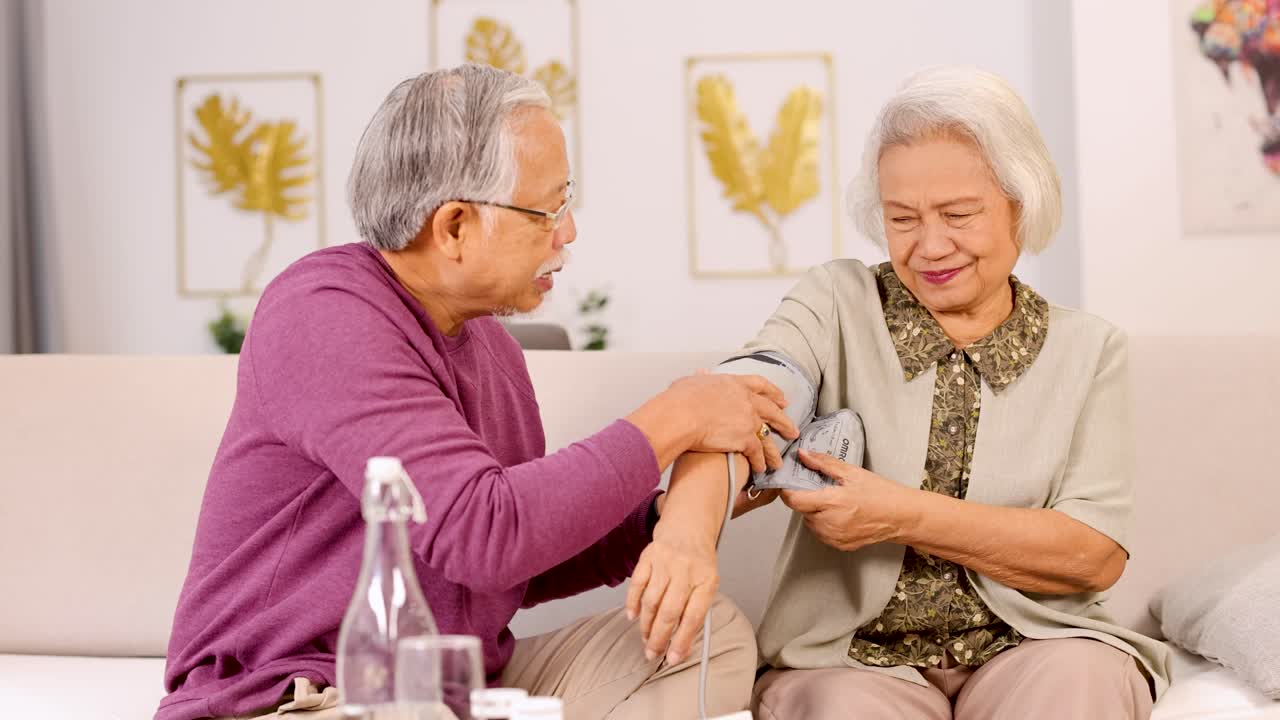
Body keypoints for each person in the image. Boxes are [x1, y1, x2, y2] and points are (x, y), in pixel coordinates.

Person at [157, 65, 796, 720]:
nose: (567, 232)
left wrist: (660, 523)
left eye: (567, 200)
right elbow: (483, 532)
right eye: (547, 209)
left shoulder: (494, 350)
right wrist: (677, 416)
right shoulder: (322, 313)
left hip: (452, 684)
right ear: (455, 226)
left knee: (707, 643)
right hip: (299, 691)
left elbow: (506, 567)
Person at [629, 66, 1172, 719]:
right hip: (849, 660)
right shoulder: (837, 302)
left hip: (1037, 645)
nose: (930, 245)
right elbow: (741, 396)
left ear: (1020, 207)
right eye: (902, 217)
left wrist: (903, 514)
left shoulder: (1090, 350)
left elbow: (1092, 555)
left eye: (959, 215)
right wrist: (684, 532)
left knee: (1082, 682)